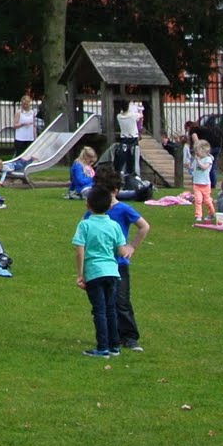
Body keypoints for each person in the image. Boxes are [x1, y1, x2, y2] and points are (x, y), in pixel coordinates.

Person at [73, 184, 133, 357]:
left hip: (94, 272)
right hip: (113, 272)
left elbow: (79, 250)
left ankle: (102, 347)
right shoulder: (114, 226)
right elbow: (122, 251)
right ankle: (114, 345)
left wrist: (80, 274)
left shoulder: (85, 225)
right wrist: (130, 247)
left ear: (88, 205)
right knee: (110, 309)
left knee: (99, 310)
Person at [91, 166, 147, 351]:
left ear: (114, 191)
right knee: (104, 303)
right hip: (100, 264)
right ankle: (109, 337)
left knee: (121, 302)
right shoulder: (95, 211)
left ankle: (130, 337)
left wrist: (132, 246)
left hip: (119, 264)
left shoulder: (123, 209)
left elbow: (144, 226)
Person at [186, 132, 216, 222]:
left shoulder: (208, 159)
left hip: (205, 184)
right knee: (198, 200)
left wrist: (198, 160)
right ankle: (198, 215)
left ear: (203, 150)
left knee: (207, 200)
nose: (196, 152)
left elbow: (204, 167)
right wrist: (189, 166)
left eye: (197, 150)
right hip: (196, 183)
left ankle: (212, 213)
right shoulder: (197, 159)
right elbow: (193, 168)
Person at [113, 99, 144, 181]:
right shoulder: (132, 115)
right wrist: (140, 109)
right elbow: (141, 116)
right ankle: (134, 175)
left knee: (124, 158)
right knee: (134, 157)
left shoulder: (119, 116)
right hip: (133, 139)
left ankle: (122, 175)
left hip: (124, 139)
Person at [13, 94, 41, 160]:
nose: (25, 105)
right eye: (24, 104)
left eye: (27, 104)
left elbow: (33, 125)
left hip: (29, 137)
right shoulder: (19, 112)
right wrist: (22, 124)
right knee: (19, 154)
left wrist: (35, 137)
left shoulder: (32, 112)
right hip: (20, 138)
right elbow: (14, 125)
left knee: (29, 154)